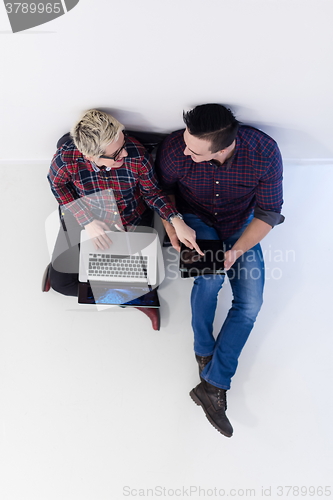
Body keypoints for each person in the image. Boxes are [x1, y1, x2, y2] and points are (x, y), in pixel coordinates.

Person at [156, 103, 284, 437]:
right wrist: (174, 226)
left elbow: (269, 212)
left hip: (241, 226)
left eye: (194, 151)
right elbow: (162, 191)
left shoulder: (264, 151)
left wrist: (238, 249)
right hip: (195, 221)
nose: (185, 151)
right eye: (185, 143)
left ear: (224, 147)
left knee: (251, 305)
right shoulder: (175, 150)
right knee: (211, 279)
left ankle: (213, 385)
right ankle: (203, 350)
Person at [47, 109, 199, 298]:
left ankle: (119, 292)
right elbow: (58, 186)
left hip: (131, 215)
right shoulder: (65, 159)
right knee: (61, 283)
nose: (125, 153)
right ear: (89, 156)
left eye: (123, 143)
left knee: (150, 282)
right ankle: (120, 296)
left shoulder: (137, 156)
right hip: (86, 215)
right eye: (116, 154)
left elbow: (152, 193)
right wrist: (87, 222)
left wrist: (176, 220)